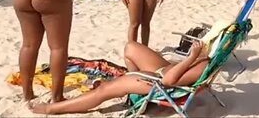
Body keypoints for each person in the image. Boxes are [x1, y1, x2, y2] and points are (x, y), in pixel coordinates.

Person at [30, 41, 208, 114]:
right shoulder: (214, 56)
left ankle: (51, 109)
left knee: (104, 90)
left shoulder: (204, 65)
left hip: (158, 82)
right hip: (164, 69)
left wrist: (192, 57)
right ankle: (132, 92)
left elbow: (169, 81)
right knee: (131, 47)